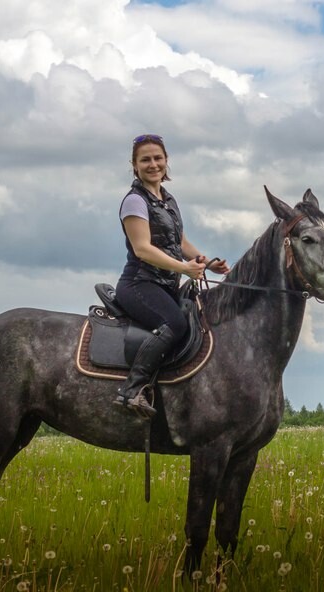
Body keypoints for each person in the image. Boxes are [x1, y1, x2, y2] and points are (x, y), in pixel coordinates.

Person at [114, 134, 229, 432]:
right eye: (145, 160)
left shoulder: (167, 200)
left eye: (157, 158)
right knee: (175, 324)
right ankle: (132, 389)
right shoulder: (134, 201)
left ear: (166, 162)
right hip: (139, 284)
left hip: (165, 284)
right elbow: (143, 248)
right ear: (134, 166)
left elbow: (180, 242)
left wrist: (205, 262)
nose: (153, 164)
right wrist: (184, 268)